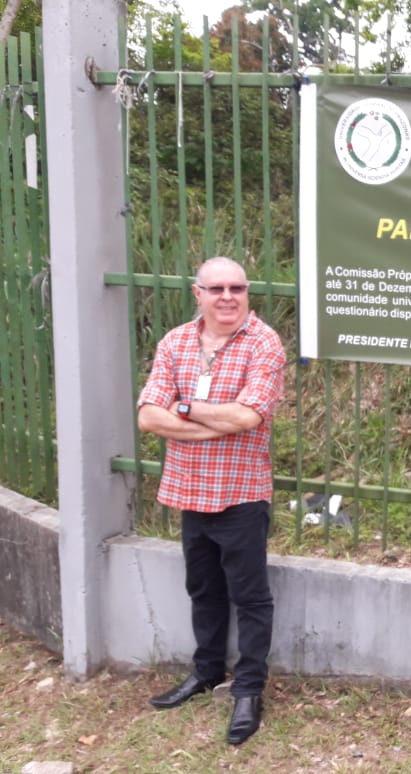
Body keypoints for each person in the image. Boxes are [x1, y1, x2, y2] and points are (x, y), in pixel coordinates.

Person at [137, 256, 286, 745]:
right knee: (202, 588)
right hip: (188, 489)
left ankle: (248, 690)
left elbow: (248, 417)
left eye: (237, 288)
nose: (228, 297)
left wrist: (182, 408)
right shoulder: (175, 342)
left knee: (250, 596)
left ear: (248, 293)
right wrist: (209, 422)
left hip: (241, 492)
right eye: (217, 288)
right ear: (196, 292)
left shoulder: (264, 343)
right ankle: (206, 673)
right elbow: (147, 418)